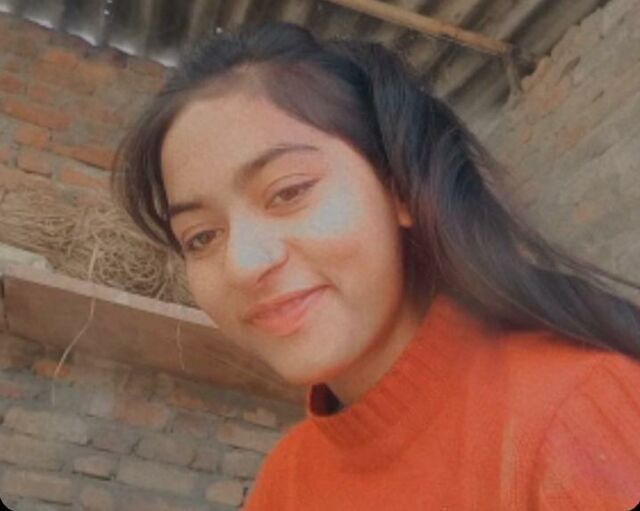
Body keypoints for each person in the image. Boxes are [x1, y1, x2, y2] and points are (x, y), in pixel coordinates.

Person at [112, 22, 640, 511]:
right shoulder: (283, 483)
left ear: (398, 189)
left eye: (289, 191)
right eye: (201, 237)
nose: (244, 264)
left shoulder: (574, 413)